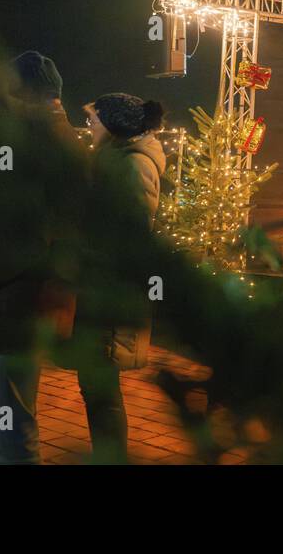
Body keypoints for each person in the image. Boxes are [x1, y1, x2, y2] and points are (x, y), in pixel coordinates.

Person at [0, 51, 84, 464]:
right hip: (20, 290)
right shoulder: (45, 143)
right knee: (13, 408)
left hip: (16, 292)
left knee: (11, 413)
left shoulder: (36, 148)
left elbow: (14, 225)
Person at [69, 93, 165, 464]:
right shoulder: (112, 160)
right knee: (95, 385)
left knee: (102, 388)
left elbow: (132, 235)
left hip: (111, 294)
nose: (89, 127)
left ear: (114, 126)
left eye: (93, 121)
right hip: (99, 289)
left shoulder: (132, 165)